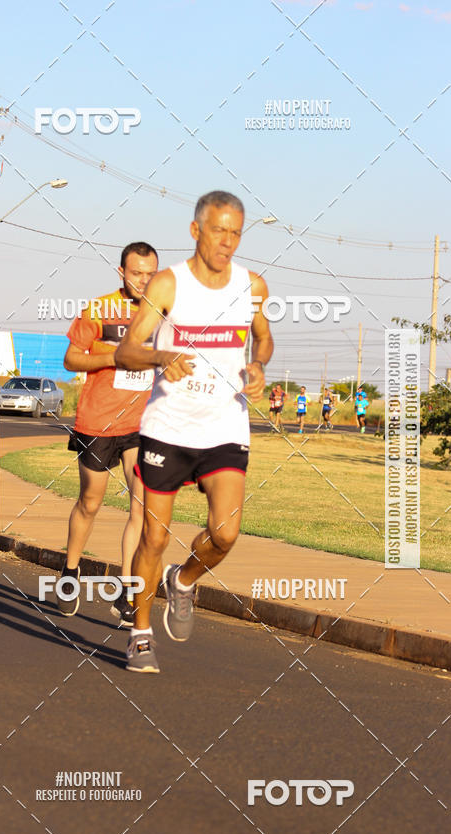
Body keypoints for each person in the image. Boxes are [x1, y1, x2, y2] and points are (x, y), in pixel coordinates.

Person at [115, 189, 274, 673]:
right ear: (196, 230)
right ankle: (140, 635)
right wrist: (162, 356)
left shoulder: (253, 286)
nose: (227, 241)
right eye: (219, 230)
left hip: (225, 423)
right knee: (154, 538)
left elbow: (263, 339)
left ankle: (182, 582)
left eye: (235, 233)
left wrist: (259, 365)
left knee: (225, 534)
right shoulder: (168, 285)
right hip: (169, 426)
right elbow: (126, 351)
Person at [60, 242, 159, 621]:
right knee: (91, 502)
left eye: (150, 274)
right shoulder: (99, 309)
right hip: (98, 422)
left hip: (140, 426)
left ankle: (127, 593)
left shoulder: (161, 314)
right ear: (121, 272)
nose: (144, 280)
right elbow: (71, 359)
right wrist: (114, 358)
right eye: (137, 273)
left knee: (143, 505)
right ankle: (70, 572)